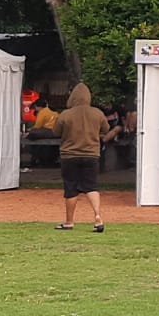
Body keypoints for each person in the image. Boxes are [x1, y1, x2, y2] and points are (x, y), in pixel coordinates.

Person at [53, 82, 109, 231]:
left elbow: (56, 131)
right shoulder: (97, 113)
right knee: (91, 186)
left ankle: (69, 221)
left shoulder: (66, 114)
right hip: (91, 155)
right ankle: (97, 216)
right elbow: (106, 129)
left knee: (71, 188)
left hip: (69, 156)